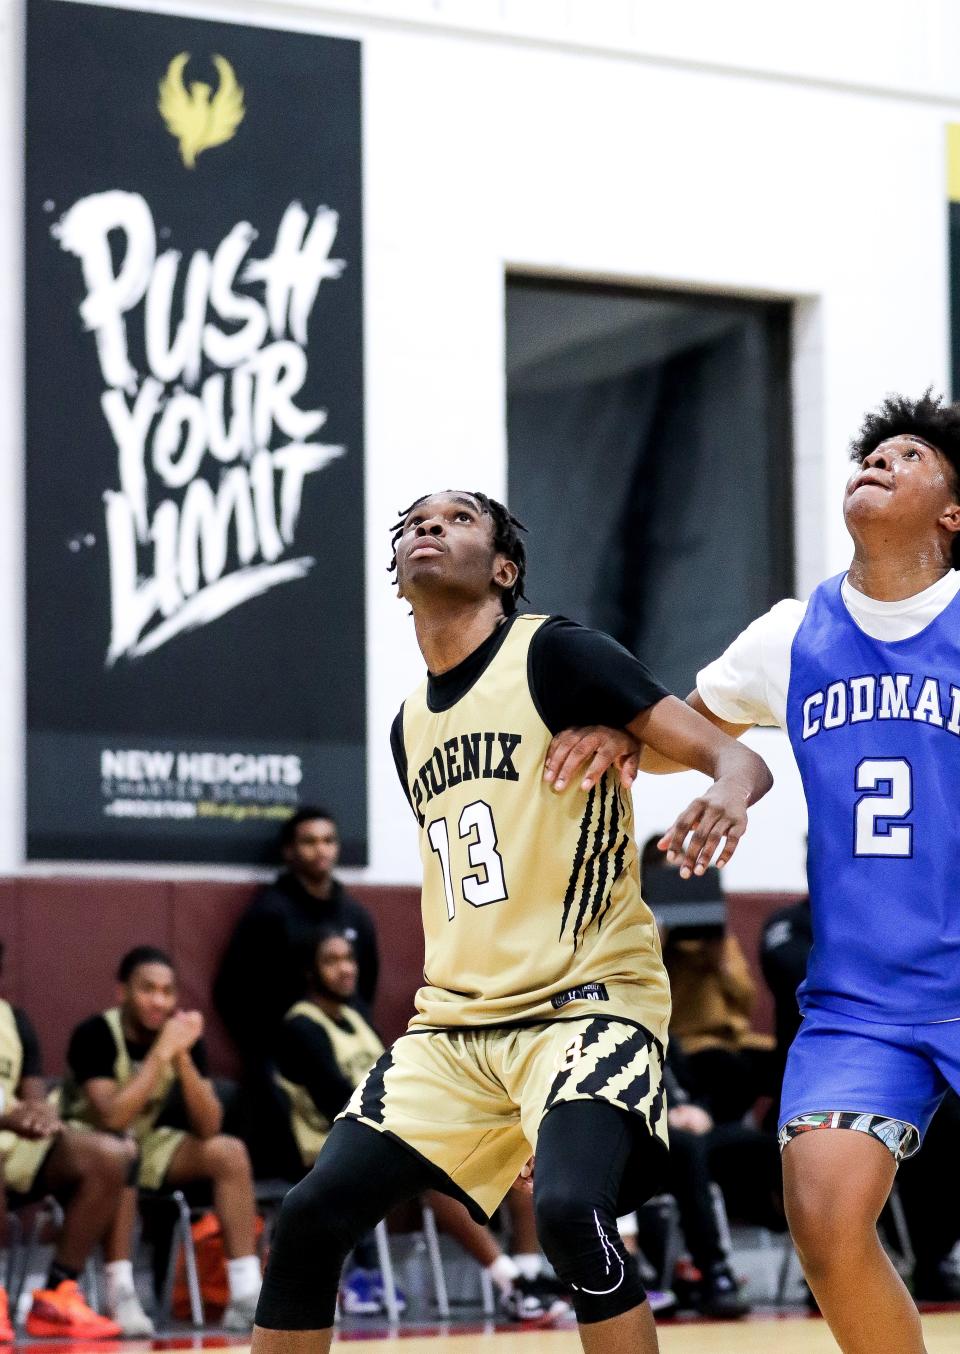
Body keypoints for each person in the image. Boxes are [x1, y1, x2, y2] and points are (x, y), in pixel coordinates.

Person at [251, 488, 772, 1354]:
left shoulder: (555, 653)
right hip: (456, 1027)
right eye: (416, 520)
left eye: (457, 518)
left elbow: (735, 753)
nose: (429, 526)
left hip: (588, 1008)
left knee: (570, 1214)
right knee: (307, 1219)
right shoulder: (408, 726)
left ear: (503, 569)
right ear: (396, 573)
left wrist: (722, 789)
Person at [550, 391, 960, 1353]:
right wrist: (619, 728)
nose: (880, 460)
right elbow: (684, 733)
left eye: (909, 455)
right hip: (863, 998)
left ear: (953, 513)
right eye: (874, 451)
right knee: (823, 1219)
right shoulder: (791, 634)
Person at [274, 926, 561, 1323]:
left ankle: (532, 1277)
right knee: (433, 1169)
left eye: (349, 959)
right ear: (310, 971)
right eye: (331, 960)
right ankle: (511, 1283)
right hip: (329, 1146)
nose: (345, 969)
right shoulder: (300, 1026)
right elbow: (336, 1099)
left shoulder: (357, 1018)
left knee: (514, 1146)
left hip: (384, 1131)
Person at [63, 946, 263, 1332]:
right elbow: (112, 1117)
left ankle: (245, 1294)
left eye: (168, 991)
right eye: (147, 989)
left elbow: (208, 1126)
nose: (159, 1000)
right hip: (82, 1146)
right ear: (122, 992)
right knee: (123, 1151)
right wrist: (161, 1054)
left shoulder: (179, 1038)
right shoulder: (96, 1033)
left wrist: (183, 1057)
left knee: (228, 1151)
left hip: (144, 1141)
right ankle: (120, 1293)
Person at [214, 808, 379, 1174]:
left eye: (328, 840)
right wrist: (268, 1051)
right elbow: (230, 991)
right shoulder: (269, 913)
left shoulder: (355, 916)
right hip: (288, 1060)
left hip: (344, 1048)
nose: (320, 850)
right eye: (309, 841)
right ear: (289, 851)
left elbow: (366, 985)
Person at [0, 942, 131, 1339]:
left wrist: (40, 1115)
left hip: (12, 1142)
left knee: (107, 1156)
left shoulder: (12, 1020)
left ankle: (56, 1295)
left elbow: (34, 1093)